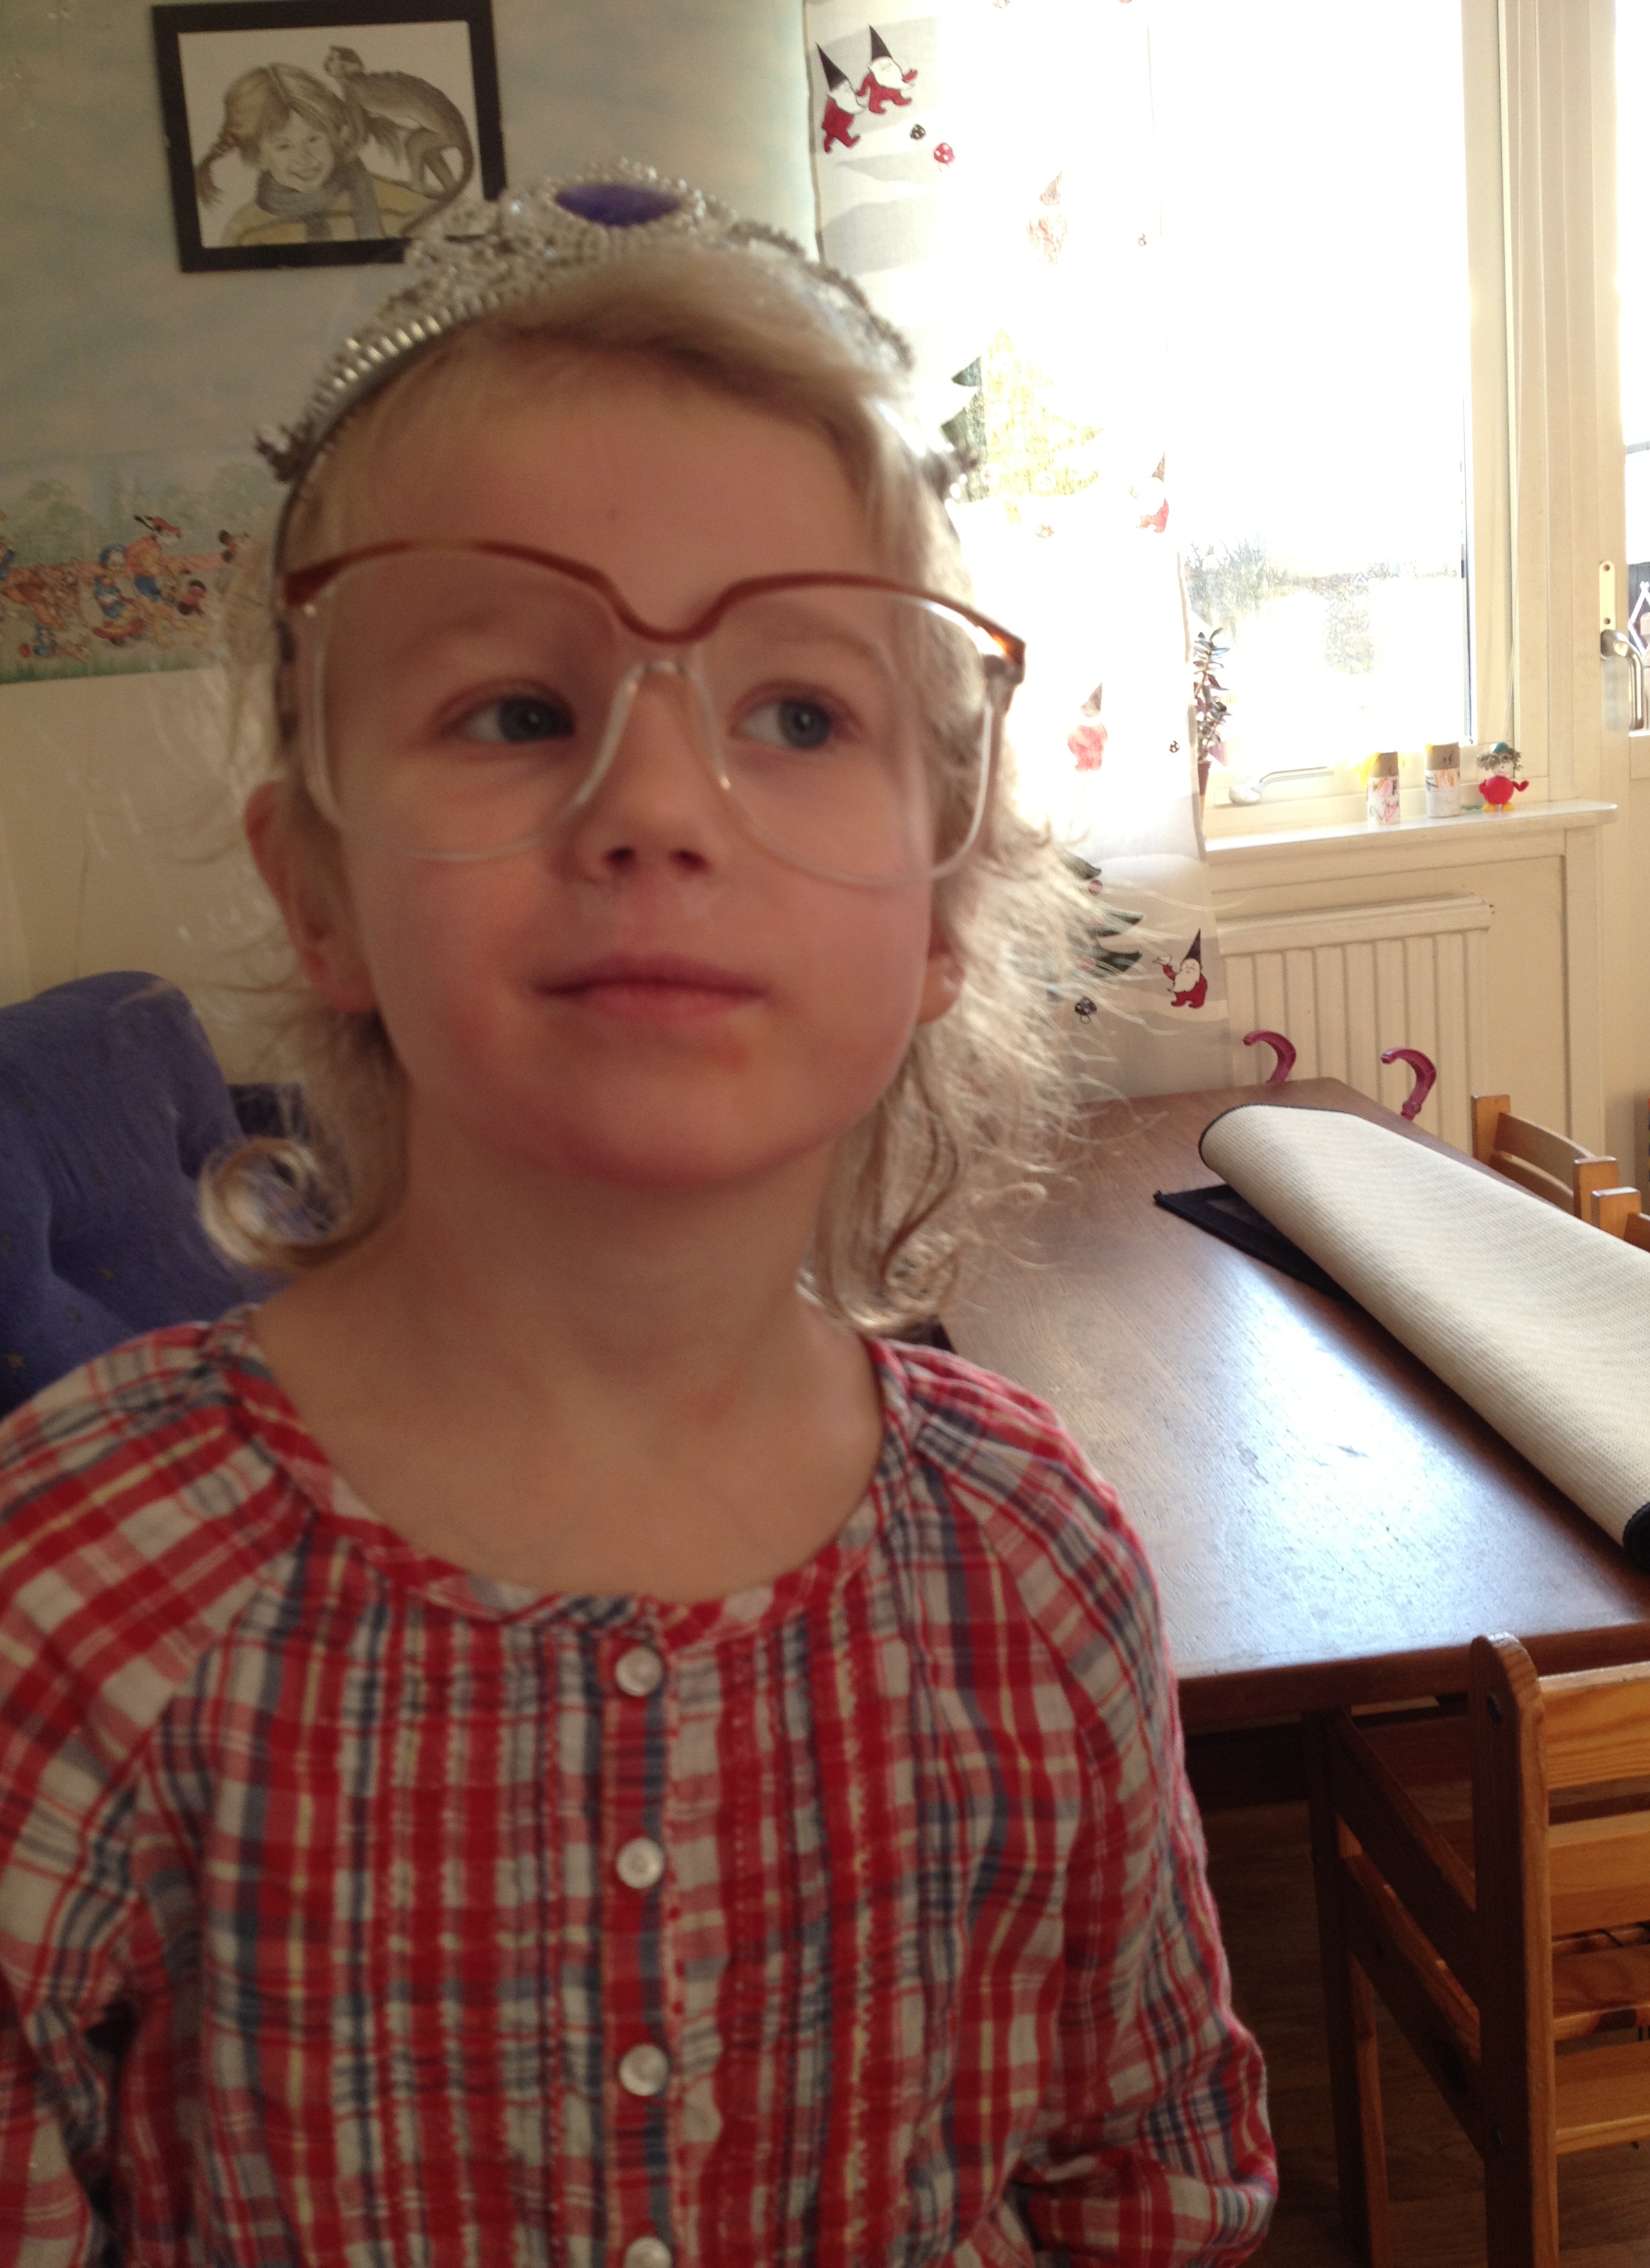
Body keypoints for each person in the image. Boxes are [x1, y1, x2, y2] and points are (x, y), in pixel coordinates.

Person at [0, 165, 1275, 2264]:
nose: (661, 806)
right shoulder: (71, 1588)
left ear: (939, 910)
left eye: (798, 712)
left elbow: (1145, 2176)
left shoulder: (1035, 1569)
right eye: (517, 709)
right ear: (320, 889)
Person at [194, 61, 430, 248]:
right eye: (283, 146)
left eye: (314, 139)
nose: (304, 158)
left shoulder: (405, 210)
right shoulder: (246, 231)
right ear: (259, 156)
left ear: (336, 137)